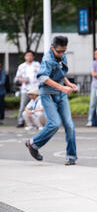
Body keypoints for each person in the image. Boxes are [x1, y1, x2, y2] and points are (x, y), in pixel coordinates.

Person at [25, 36, 78, 165]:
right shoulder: (47, 59)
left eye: (64, 51)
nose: (61, 54)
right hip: (47, 94)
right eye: (59, 51)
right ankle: (33, 143)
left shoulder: (61, 55)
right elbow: (43, 77)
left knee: (70, 126)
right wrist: (62, 88)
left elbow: (60, 72)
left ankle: (71, 157)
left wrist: (68, 83)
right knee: (54, 124)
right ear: (52, 48)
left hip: (61, 94)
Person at [14, 50, 40, 127]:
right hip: (25, 89)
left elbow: (41, 75)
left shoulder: (37, 65)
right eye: (27, 55)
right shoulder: (21, 66)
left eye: (31, 55)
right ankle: (20, 121)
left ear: (33, 57)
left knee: (37, 106)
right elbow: (17, 78)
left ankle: (37, 122)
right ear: (25, 57)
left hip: (35, 89)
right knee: (23, 106)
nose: (29, 57)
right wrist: (23, 80)